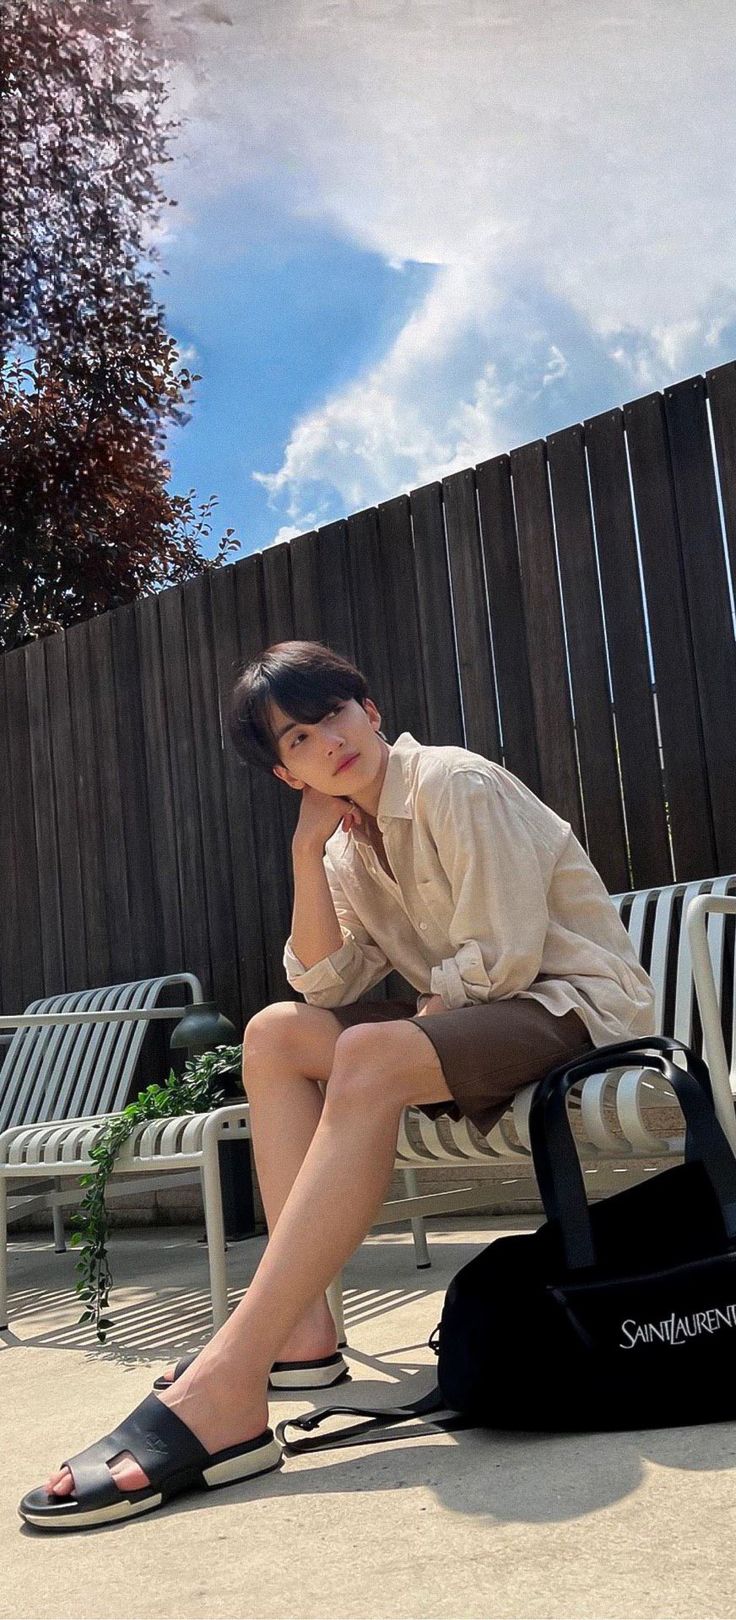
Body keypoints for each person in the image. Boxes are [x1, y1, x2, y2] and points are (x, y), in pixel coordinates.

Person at [20, 638, 656, 1529]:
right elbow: (320, 984)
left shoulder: (454, 783)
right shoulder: (349, 847)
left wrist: (417, 1024)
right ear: (287, 774)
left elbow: (505, 958)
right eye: (297, 739)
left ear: (370, 710)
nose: (326, 740)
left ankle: (232, 1377)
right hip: (475, 1026)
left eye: (332, 713)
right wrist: (306, 854)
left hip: (573, 1014)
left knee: (366, 1053)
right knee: (277, 1036)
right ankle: (307, 1335)